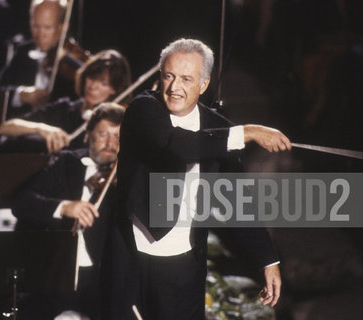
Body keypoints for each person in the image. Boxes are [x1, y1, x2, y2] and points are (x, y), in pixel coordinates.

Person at [116, 38, 291, 320]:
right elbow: (177, 145)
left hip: (184, 262)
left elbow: (238, 201)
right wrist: (247, 132)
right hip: (131, 256)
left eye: (186, 79)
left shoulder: (218, 129)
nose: (175, 88)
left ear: (204, 84)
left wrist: (268, 261)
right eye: (169, 76)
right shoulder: (142, 110)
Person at [11, 102, 124, 319]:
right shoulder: (67, 162)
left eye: (118, 137)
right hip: (55, 271)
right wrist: (64, 207)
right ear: (87, 135)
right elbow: (22, 202)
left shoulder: (127, 176)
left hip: (100, 280)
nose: (110, 143)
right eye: (103, 134)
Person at [0, 49, 131, 154]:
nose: (93, 86)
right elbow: (5, 127)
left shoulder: (113, 125)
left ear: (115, 89)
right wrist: (41, 129)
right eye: (91, 78)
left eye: (103, 83)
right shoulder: (66, 108)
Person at [0, 0, 74, 111]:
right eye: (36, 26)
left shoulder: (71, 59)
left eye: (48, 28)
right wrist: (21, 95)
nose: (41, 35)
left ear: (63, 27)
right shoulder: (23, 51)